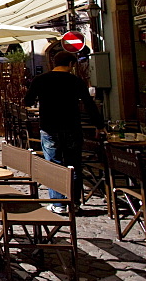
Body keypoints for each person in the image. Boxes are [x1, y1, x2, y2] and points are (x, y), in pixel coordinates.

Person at [24, 51, 105, 213]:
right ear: (70, 64)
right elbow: (89, 104)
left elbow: (28, 100)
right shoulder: (76, 81)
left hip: (49, 127)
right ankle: (74, 203)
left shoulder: (40, 80)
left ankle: (59, 203)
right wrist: (99, 125)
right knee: (73, 165)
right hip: (72, 127)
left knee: (54, 164)